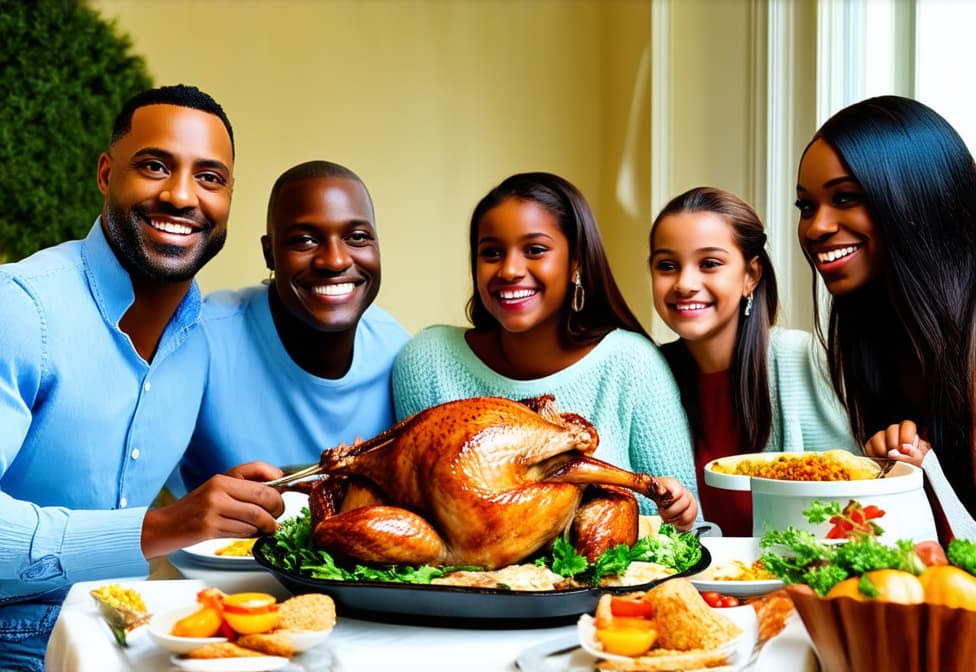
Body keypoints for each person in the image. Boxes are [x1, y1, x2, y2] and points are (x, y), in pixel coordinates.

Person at [0, 85, 286, 671]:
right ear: (107, 174)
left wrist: (217, 499)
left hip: (124, 627)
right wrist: (158, 528)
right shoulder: (17, 305)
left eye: (210, 178)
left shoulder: (199, 339)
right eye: (155, 166)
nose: (182, 195)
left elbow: (129, 490)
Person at [392, 171, 699, 529]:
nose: (509, 270)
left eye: (535, 250)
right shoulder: (427, 361)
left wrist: (676, 513)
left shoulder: (633, 365)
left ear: (576, 263)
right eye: (491, 252)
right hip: (457, 582)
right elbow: (409, 509)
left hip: (616, 584)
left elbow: (687, 529)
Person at [177, 160, 410, 491]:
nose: (335, 260)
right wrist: (196, 505)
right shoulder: (203, 338)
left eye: (357, 237)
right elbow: (143, 492)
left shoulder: (399, 354)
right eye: (305, 240)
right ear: (270, 253)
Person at [795, 95, 976, 515]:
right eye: (807, 205)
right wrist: (905, 471)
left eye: (845, 198)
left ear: (918, 197)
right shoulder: (879, 334)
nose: (816, 227)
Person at [649, 186, 856, 536]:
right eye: (667, 266)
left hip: (800, 583)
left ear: (751, 275)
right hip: (690, 587)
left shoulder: (805, 360)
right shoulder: (648, 373)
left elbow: (855, 499)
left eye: (709, 264)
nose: (685, 283)